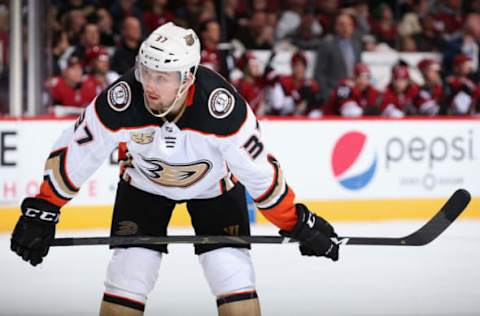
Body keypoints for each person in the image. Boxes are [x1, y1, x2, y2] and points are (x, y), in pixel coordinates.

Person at [10, 22, 339, 316]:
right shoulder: (121, 100)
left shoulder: (223, 111)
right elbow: (79, 152)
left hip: (215, 190)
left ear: (188, 78)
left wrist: (297, 222)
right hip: (144, 186)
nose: (149, 85)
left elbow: (260, 175)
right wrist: (44, 207)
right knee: (128, 274)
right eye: (146, 72)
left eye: (161, 77)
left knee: (231, 273)